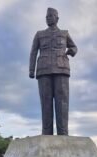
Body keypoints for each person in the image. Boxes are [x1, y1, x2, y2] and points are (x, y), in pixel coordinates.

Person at [29, 7, 77, 135]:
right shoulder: (39, 34)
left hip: (62, 69)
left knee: (62, 103)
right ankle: (46, 133)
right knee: (46, 102)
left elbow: (74, 47)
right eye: (47, 16)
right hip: (43, 70)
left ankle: (63, 133)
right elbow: (33, 52)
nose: (48, 18)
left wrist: (72, 51)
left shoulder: (65, 33)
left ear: (57, 18)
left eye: (51, 16)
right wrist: (31, 70)